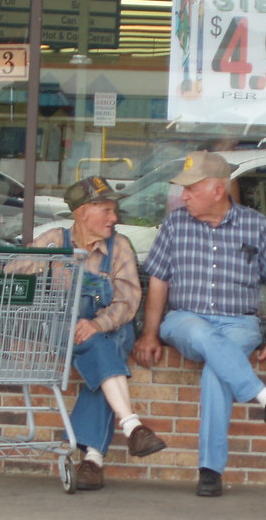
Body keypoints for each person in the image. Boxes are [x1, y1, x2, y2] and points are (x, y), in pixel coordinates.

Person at [132, 151, 266, 497]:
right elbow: (158, 283)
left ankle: (210, 471)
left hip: (239, 324)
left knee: (216, 373)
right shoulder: (175, 224)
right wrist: (149, 333)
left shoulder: (256, 225)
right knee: (198, 331)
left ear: (217, 190)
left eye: (190, 189)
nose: (183, 196)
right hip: (185, 320)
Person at [25, 176, 166, 491]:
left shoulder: (120, 248)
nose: (114, 218)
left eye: (114, 211)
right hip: (63, 328)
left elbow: (128, 302)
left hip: (111, 328)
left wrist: (97, 324)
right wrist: (35, 272)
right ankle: (128, 428)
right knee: (107, 356)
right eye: (105, 210)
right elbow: (13, 276)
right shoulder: (51, 240)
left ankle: (93, 461)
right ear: (81, 213)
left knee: (103, 347)